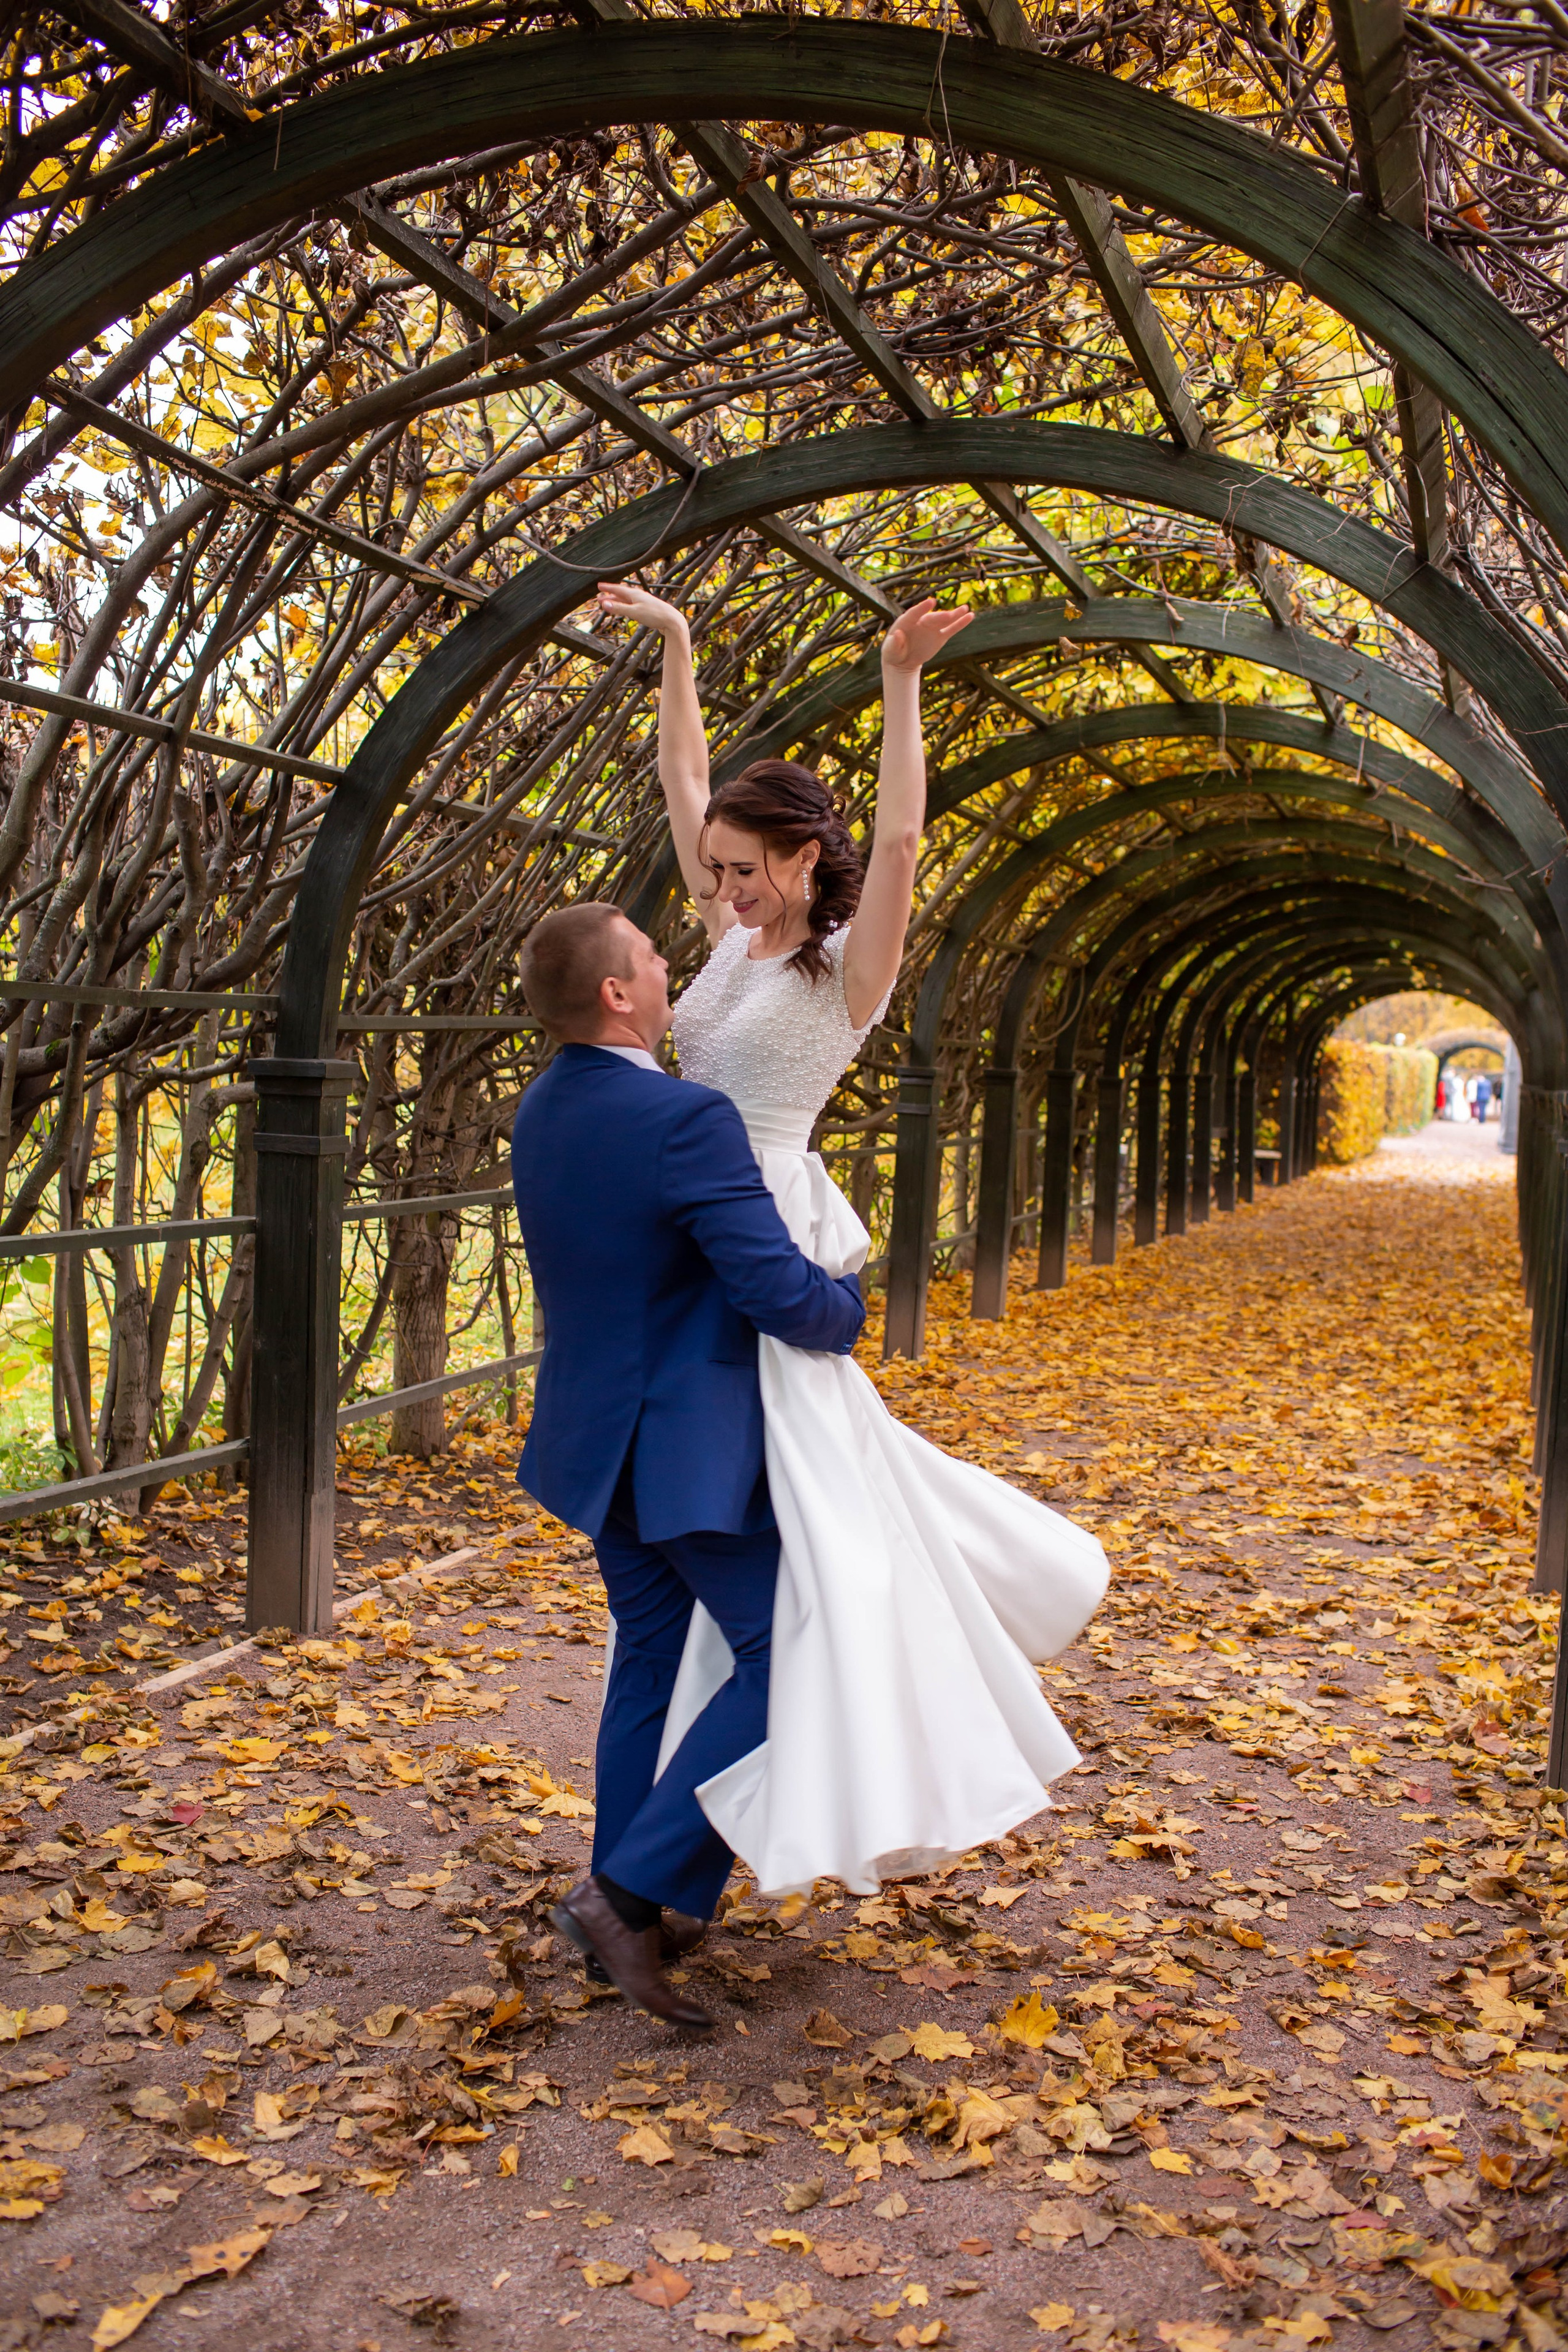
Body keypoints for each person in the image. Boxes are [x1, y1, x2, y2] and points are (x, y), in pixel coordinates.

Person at [589, 578, 1109, 1904]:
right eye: (713, 872)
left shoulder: (842, 972)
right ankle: (662, 1851)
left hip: (759, 1237)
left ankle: (721, 1827)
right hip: (684, 1237)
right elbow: (683, 768)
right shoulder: (727, 947)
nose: (723, 890)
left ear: (798, 863)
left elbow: (897, 842)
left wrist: (898, 682)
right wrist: (678, 644)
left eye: (744, 871)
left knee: (817, 1525)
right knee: (724, 1534)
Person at [511, 900, 867, 2025]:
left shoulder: (542, 1109)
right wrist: (851, 1302)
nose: (675, 967)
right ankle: (624, 1893)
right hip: (685, 1444)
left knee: (652, 1666)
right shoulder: (685, 1119)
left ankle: (641, 1912)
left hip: (593, 1438)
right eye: (655, 958)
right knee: (794, 1652)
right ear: (618, 994)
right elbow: (772, 1288)